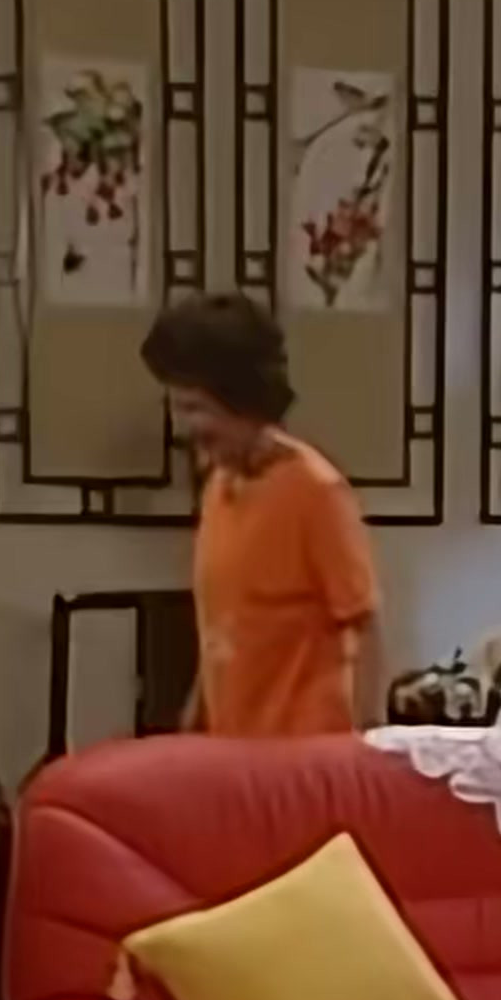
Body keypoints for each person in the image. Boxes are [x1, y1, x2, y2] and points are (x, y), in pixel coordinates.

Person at [139, 292, 382, 738]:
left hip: (304, 753)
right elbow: (223, 627)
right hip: (233, 749)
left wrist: (366, 748)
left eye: (195, 409)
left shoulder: (316, 491)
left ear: (246, 402)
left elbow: (363, 626)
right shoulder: (218, 487)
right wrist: (193, 724)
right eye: (176, 407)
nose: (185, 427)